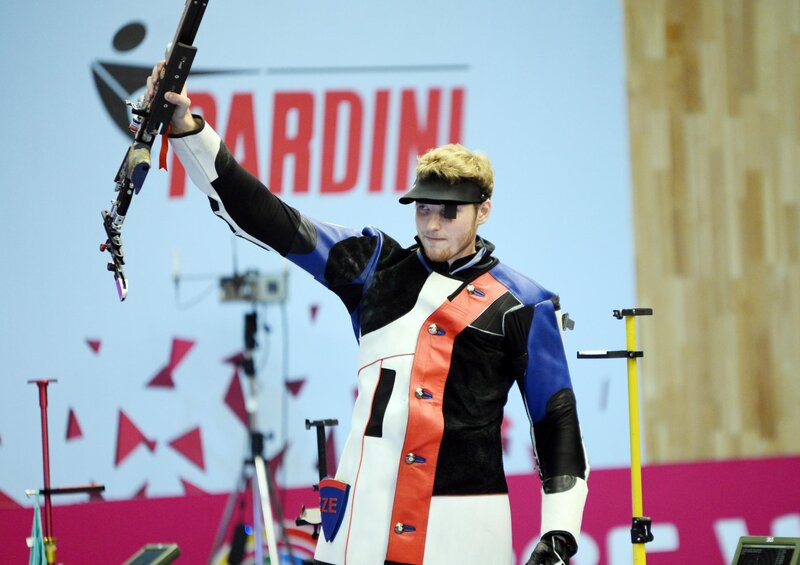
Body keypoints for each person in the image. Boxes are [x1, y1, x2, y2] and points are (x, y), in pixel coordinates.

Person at [148, 62, 588, 564]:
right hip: (359, 529)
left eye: (450, 211)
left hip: (462, 534)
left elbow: (557, 423)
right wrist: (189, 133)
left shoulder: (524, 304)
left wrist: (559, 534)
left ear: (482, 210)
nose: (433, 223)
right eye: (423, 208)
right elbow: (269, 217)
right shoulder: (373, 267)